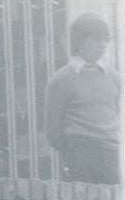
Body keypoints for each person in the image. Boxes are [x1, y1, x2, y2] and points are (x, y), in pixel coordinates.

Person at [45, 13, 120, 185]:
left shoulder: (115, 78)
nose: (102, 45)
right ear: (79, 41)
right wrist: (72, 149)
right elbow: (53, 129)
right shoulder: (61, 80)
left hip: (111, 151)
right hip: (80, 152)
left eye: (105, 40)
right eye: (96, 39)